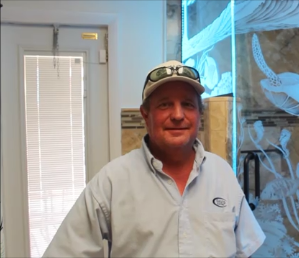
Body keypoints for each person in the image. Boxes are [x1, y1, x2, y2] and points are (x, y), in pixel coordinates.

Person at [42, 60, 266, 258]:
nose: (177, 115)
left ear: (199, 113)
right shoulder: (112, 182)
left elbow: (245, 248)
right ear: (145, 114)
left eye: (187, 104)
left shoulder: (222, 174)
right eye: (165, 104)